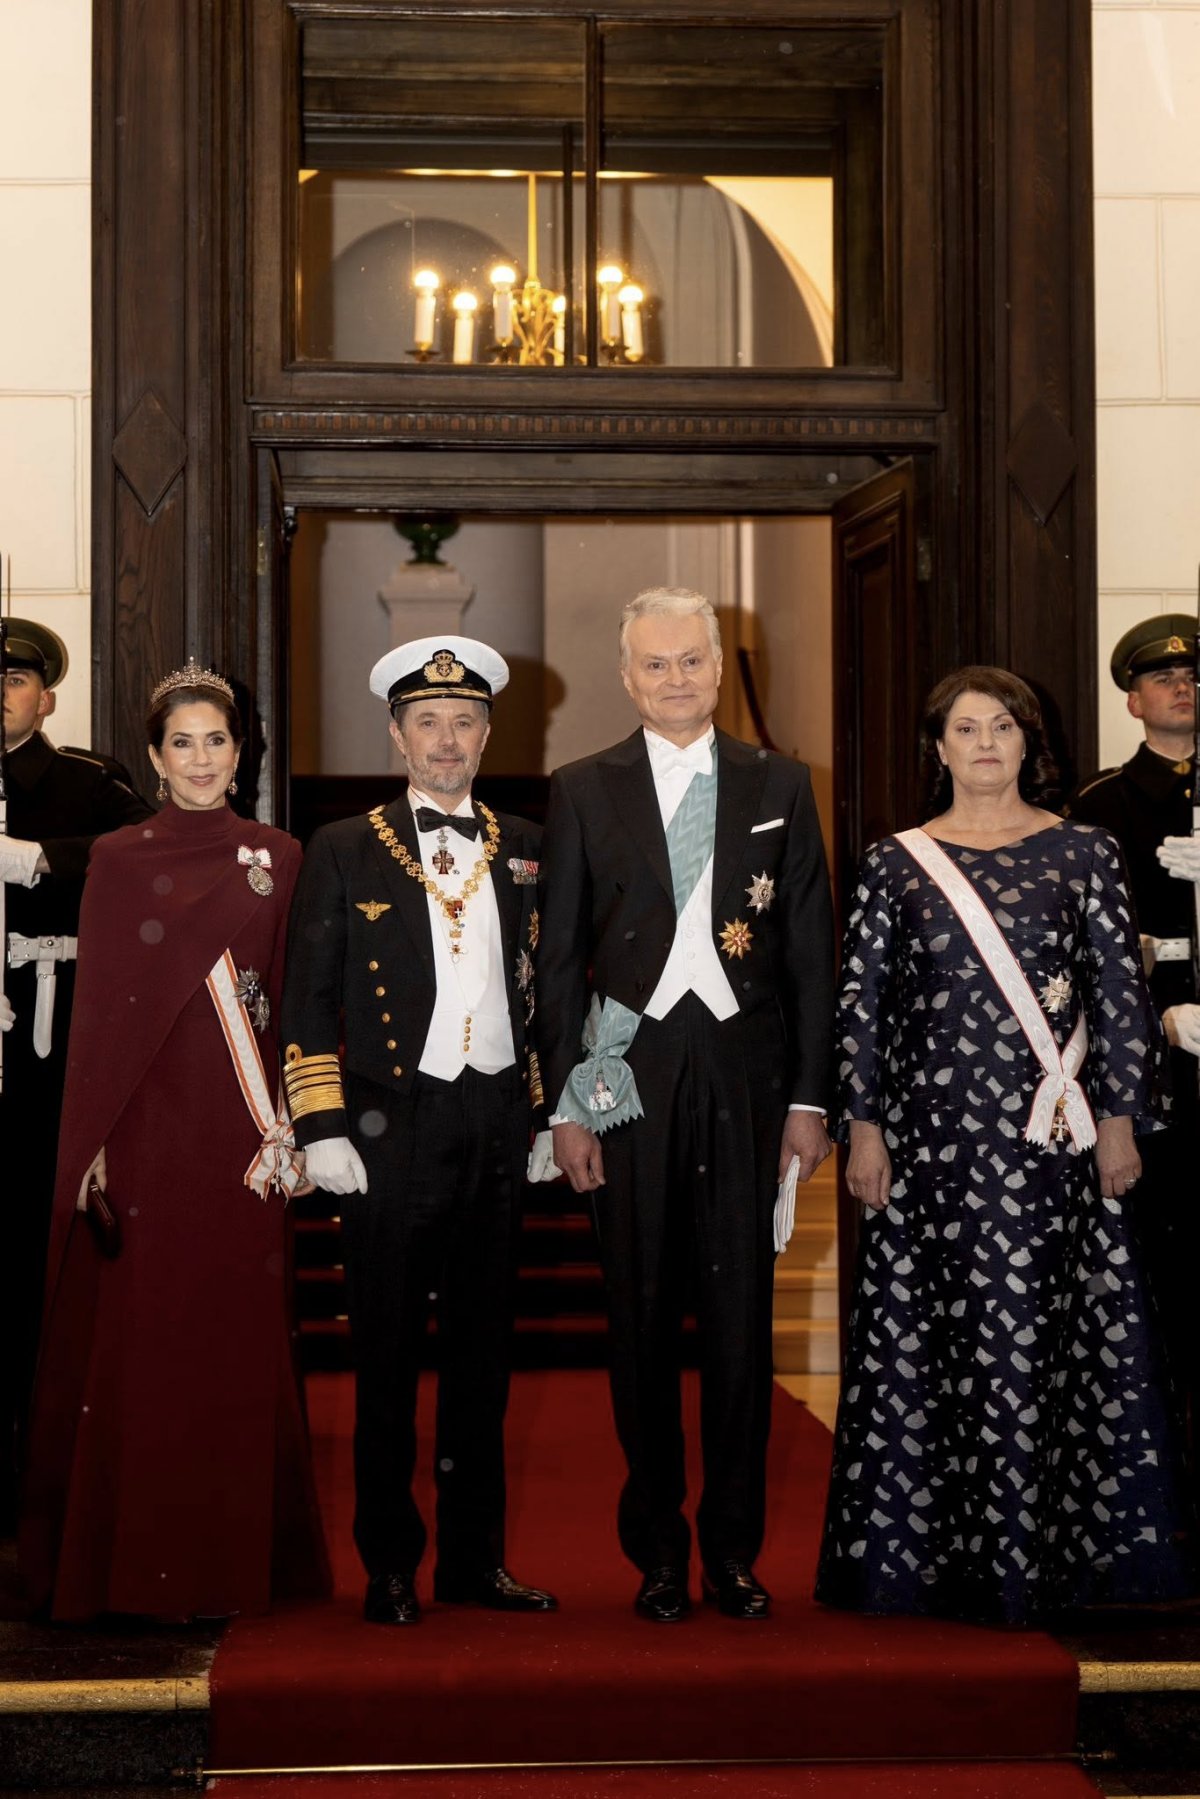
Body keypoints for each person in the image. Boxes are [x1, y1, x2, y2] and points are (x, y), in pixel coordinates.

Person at [817, 665, 1192, 1626]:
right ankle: (939, 1565)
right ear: (937, 748)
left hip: (1054, 1147)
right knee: (937, 1344)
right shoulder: (895, 861)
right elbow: (862, 1007)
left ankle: (1057, 1563)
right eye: (965, 727)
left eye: (1003, 728)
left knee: (1059, 1340)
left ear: (1030, 743)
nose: (985, 743)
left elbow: (1118, 995)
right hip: (933, 1151)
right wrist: (864, 1127)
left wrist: (1118, 1120)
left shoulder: (1085, 852)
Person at [537, 587, 835, 1623]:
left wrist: (809, 1096)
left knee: (742, 1324)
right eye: (655, 663)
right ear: (627, 677)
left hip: (748, 1074)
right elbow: (557, 960)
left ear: (719, 665)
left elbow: (810, 955)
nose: (675, 678)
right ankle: (658, 1550)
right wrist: (564, 1105)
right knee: (641, 1318)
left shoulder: (781, 783)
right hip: (628, 1072)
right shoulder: (581, 786)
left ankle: (735, 1551)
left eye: (692, 660)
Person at [20, 661, 329, 1620]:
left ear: (243, 753)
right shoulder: (117, 858)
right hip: (151, 1131)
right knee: (148, 1347)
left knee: (234, 1346)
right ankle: (140, 1563)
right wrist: (95, 1144)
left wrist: (299, 1126)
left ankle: (233, 1564)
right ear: (155, 757)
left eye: (219, 740)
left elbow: (298, 996)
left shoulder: (282, 854)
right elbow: (103, 1018)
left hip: (244, 1143)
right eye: (182, 742)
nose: (202, 759)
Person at [280, 635, 557, 1626]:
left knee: (483, 1358)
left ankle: (475, 1561)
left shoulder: (528, 839)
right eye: (429, 721)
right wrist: (319, 1123)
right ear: (396, 733)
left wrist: (544, 1104)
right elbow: (307, 998)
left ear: (488, 732)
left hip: (492, 1118)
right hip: (384, 1123)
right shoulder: (344, 846)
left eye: (467, 720)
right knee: (388, 1356)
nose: (449, 738)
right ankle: (391, 1563)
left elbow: (548, 989)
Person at [0, 618, 151, 1534]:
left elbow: (148, 851)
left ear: (45, 695)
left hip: (39, 1059)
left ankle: (32, 1467)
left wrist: (45, 858)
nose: (0, 693)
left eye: (14, 679)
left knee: (29, 1263)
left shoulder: (85, 783)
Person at [1067, 616, 1199, 1482]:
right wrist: (1159, 1011)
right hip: (1162, 1066)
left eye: (1194, 675)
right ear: (1133, 697)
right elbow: (1087, 951)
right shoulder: (1102, 805)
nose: (1185, 687)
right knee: (1166, 1280)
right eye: (1165, 678)